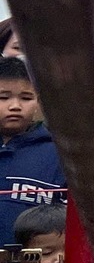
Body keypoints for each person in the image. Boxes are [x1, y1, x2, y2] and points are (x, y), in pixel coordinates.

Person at [0, 57, 63, 246]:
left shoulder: (59, 154)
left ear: (39, 102)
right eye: (3, 97)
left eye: (26, 98)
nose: (15, 106)